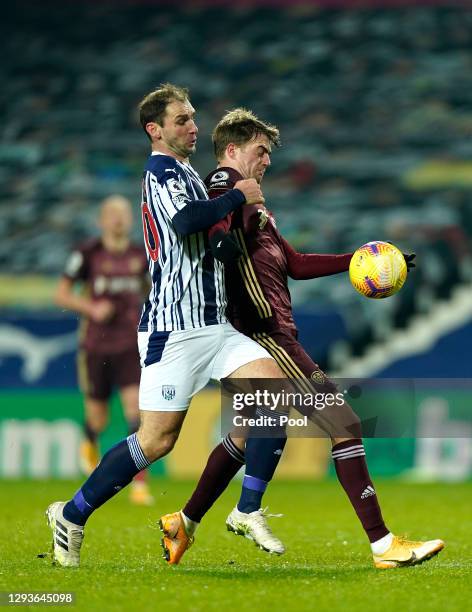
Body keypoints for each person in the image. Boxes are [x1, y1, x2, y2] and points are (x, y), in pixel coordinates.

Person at [160, 108, 443, 569]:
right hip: (263, 333)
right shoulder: (224, 183)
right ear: (233, 150)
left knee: (244, 434)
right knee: (345, 425)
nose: (267, 160)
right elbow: (215, 236)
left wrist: (360, 259)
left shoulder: (254, 203)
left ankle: (185, 521)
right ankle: (382, 544)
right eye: (260, 151)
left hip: (270, 331)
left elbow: (295, 263)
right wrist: (228, 236)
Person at [45, 84, 286, 568]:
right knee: (156, 440)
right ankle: (71, 514)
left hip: (215, 327)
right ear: (155, 130)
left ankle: (247, 508)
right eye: (182, 120)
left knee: (273, 392)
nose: (194, 126)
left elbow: (203, 236)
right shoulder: (159, 172)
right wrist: (237, 193)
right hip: (173, 331)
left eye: (193, 117)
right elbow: (183, 224)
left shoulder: (188, 174)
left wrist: (232, 242)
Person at [56, 195, 153, 506]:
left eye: (123, 213)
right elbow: (62, 294)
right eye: (111, 213)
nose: (118, 219)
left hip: (129, 345)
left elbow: (153, 293)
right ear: (101, 220)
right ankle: (89, 439)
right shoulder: (87, 254)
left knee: (136, 415)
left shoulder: (141, 256)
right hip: (96, 346)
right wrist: (91, 308)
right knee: (98, 418)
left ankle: (139, 486)